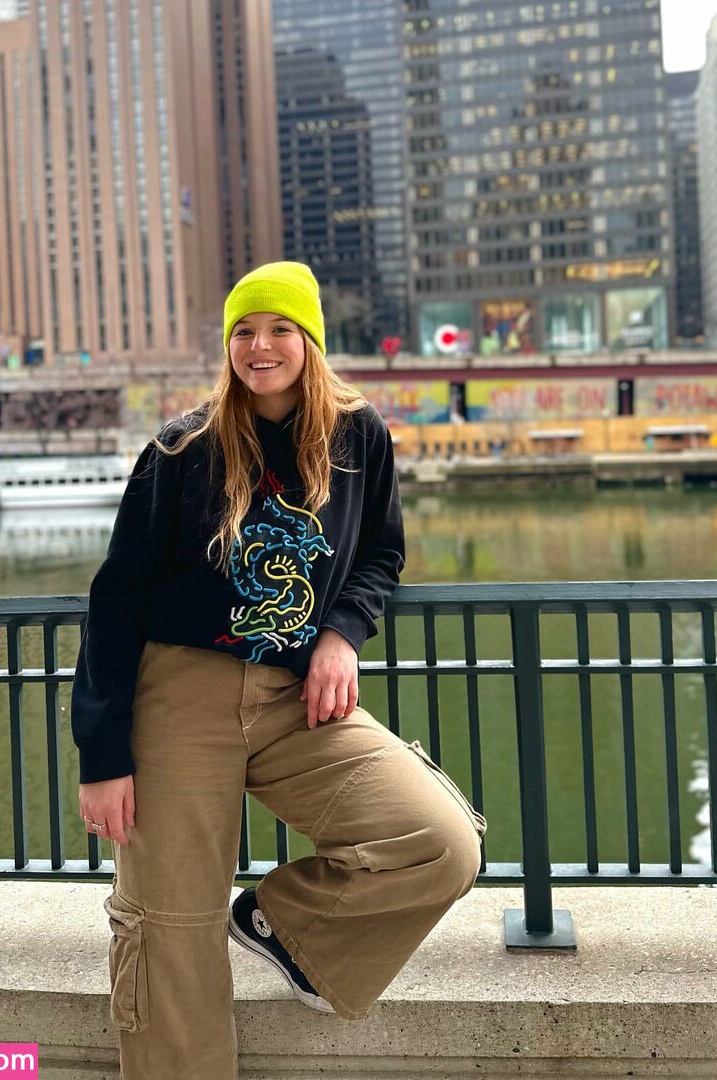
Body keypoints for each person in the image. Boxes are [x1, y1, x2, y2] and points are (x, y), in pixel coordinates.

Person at [71, 261, 487, 1080]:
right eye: (243, 331)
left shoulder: (358, 436)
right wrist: (103, 754)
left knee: (438, 841)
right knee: (171, 931)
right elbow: (116, 600)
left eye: (279, 329)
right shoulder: (182, 448)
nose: (259, 346)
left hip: (296, 697)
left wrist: (341, 634)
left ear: (310, 342)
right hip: (180, 696)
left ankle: (283, 928)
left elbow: (380, 553)